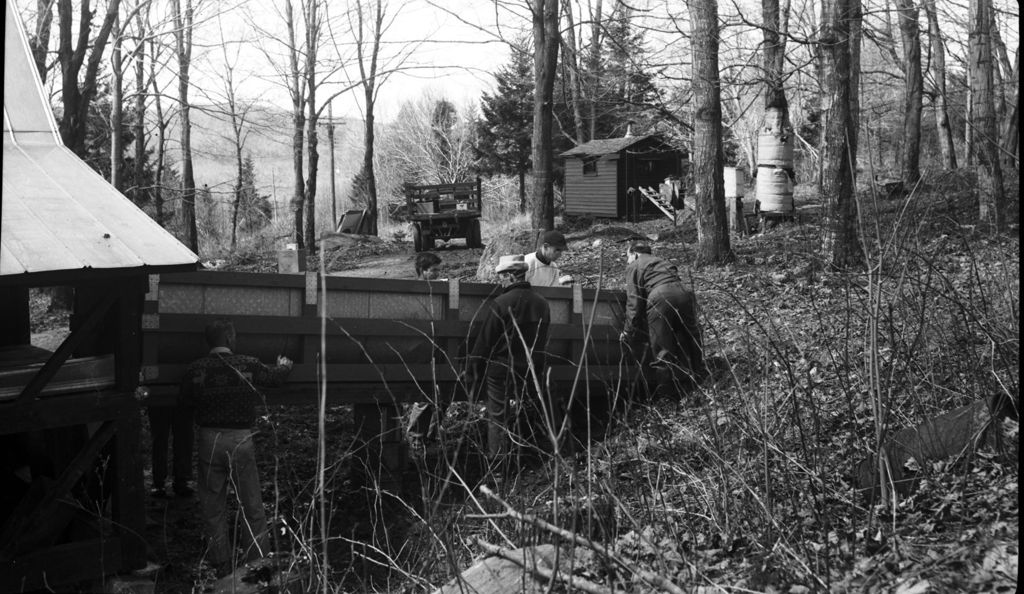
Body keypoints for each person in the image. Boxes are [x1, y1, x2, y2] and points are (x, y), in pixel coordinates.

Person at [180, 318, 293, 577]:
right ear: (230, 338)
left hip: (210, 438)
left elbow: (184, 402)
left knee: (212, 504)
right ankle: (256, 560)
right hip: (241, 438)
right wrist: (284, 366)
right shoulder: (248, 364)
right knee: (251, 502)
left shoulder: (195, 369)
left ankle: (220, 563)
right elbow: (274, 378)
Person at [468, 255, 555, 477]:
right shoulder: (542, 303)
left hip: (501, 367)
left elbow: (485, 340)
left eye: (501, 277)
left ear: (508, 276)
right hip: (531, 367)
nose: (500, 282)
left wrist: (473, 367)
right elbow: (543, 339)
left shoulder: (501, 303)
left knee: (498, 415)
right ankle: (535, 454)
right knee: (530, 409)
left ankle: (498, 467)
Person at [619, 240, 704, 400]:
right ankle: (698, 377)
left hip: (660, 297)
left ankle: (666, 396)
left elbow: (634, 302)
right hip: (684, 293)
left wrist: (628, 330)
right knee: (690, 336)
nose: (627, 261)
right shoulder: (662, 262)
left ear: (634, 253)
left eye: (627, 257)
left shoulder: (634, 265)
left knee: (661, 345)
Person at [147, 398, 194, 498]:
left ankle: (181, 480)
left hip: (181, 396)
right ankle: (160, 482)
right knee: (160, 439)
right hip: (160, 396)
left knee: (183, 438)